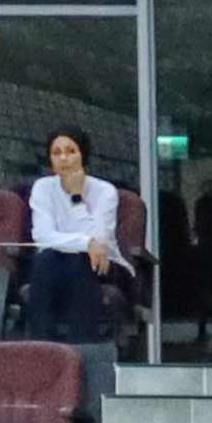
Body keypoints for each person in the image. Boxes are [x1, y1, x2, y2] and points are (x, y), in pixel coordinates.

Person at [18, 127, 126, 352]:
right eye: (56, 153)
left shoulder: (105, 191)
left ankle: (82, 350)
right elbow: (43, 236)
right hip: (54, 262)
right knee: (45, 259)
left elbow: (100, 239)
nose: (64, 158)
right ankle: (41, 349)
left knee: (79, 262)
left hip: (98, 265)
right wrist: (85, 242)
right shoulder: (43, 188)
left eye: (71, 151)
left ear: (83, 155)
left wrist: (77, 198)